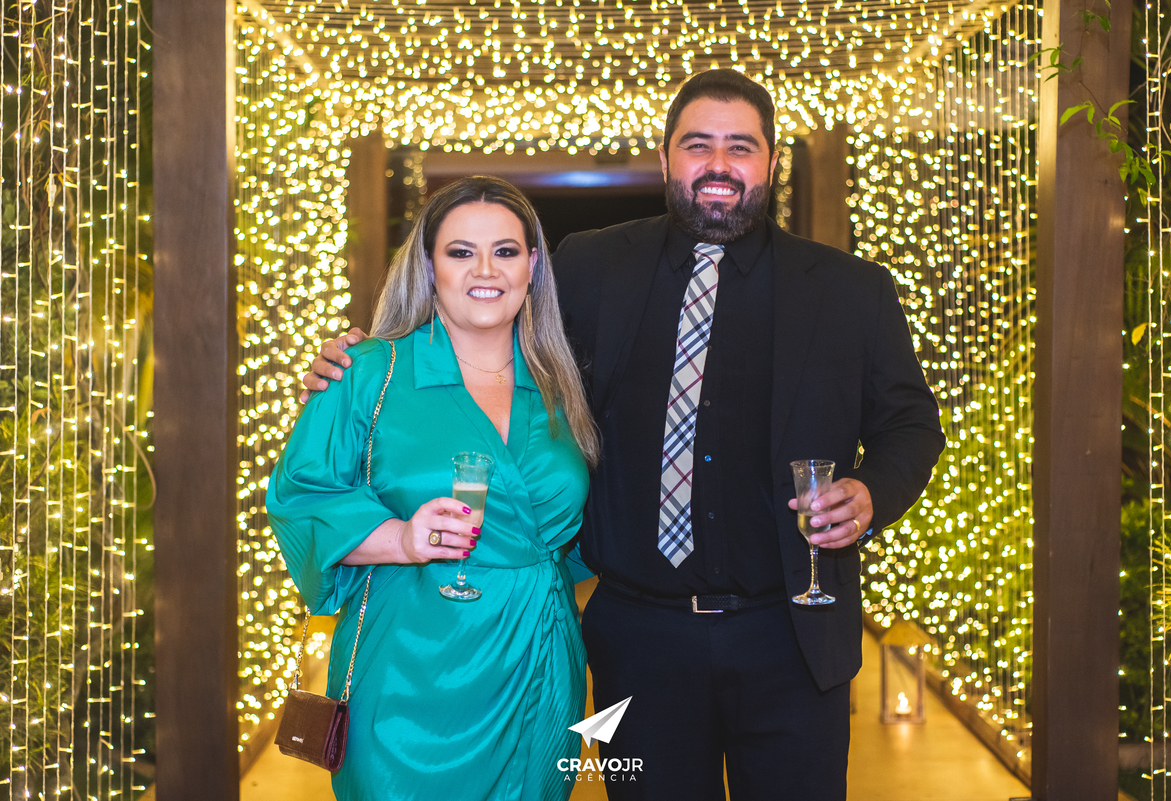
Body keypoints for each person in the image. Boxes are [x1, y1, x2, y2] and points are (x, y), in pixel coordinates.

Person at [302, 70, 944, 800]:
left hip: (793, 636)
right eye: (698, 145)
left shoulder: (851, 290)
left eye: (741, 147)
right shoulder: (588, 266)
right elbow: (487, 332)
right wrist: (363, 366)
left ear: (771, 162)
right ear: (666, 157)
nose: (719, 164)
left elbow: (910, 424)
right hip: (636, 642)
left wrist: (872, 491)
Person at [267, 175, 599, 801]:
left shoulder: (564, 384)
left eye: (505, 251)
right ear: (428, 266)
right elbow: (300, 497)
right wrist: (401, 538)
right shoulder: (368, 372)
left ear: (532, 265)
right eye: (461, 251)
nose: (486, 270)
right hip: (407, 673)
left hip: (538, 662)